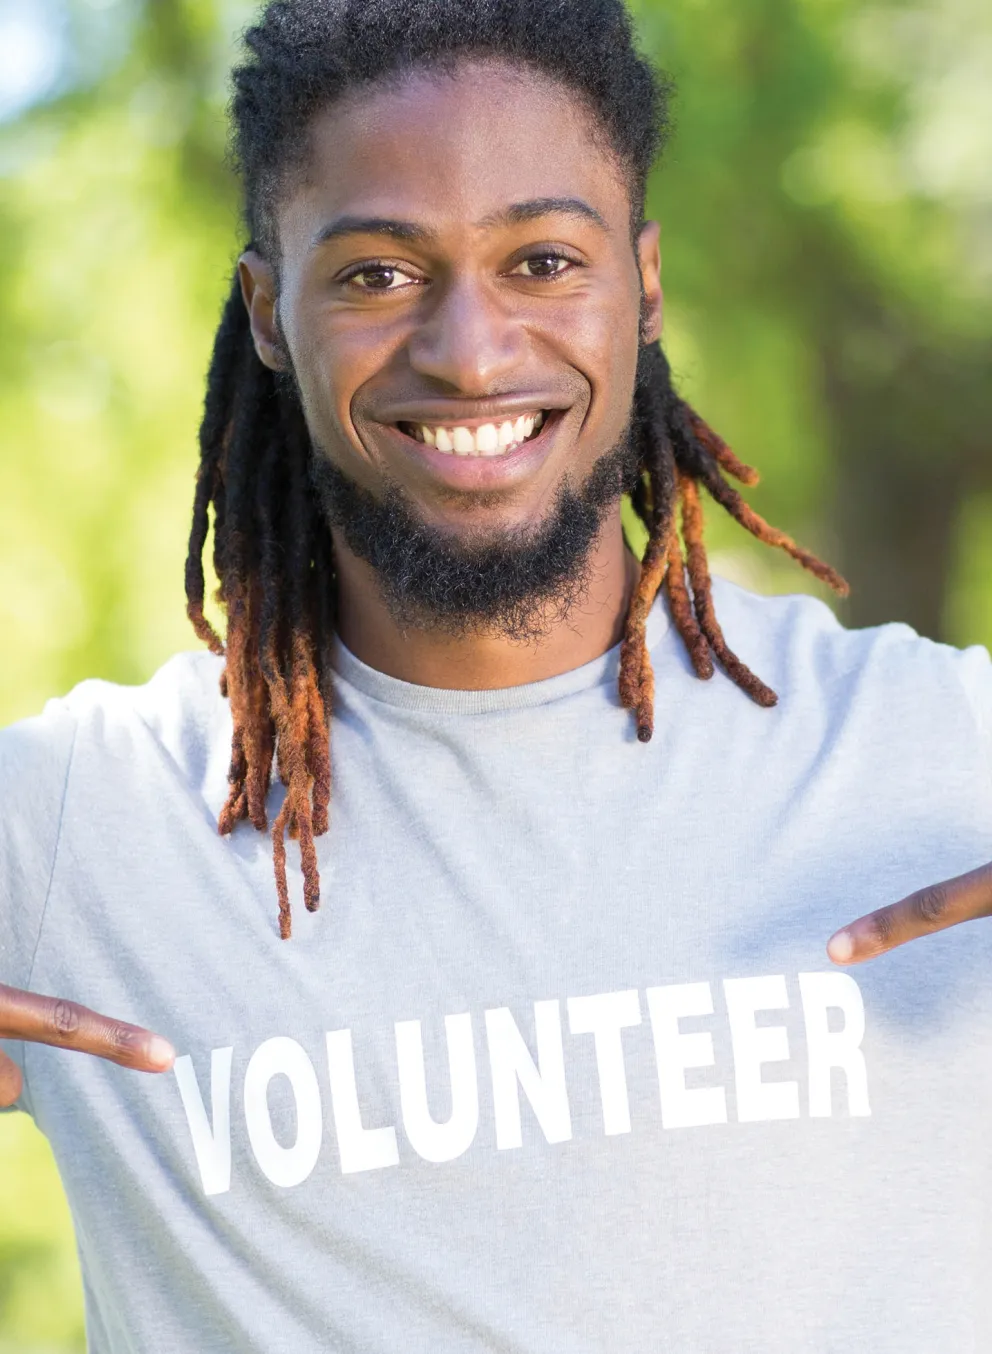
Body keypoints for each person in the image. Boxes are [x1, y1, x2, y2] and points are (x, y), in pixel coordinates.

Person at [2, 0, 991, 1348]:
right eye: (375, 275)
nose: (470, 351)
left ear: (641, 286)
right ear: (268, 311)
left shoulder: (941, 758)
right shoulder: (75, 832)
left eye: (540, 259)